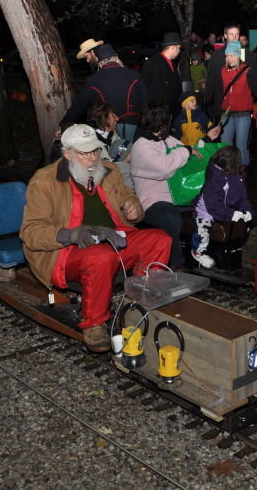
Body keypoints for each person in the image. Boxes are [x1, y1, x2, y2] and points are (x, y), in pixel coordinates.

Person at [20, 124, 171, 352]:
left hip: (113, 239)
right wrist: (68, 234)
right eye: (85, 153)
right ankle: (93, 322)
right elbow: (30, 231)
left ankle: (139, 304)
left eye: (95, 151)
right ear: (67, 154)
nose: (93, 158)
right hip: (67, 251)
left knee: (160, 239)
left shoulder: (109, 171)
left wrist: (133, 207)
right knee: (101, 256)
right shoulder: (45, 181)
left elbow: (129, 197)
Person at [131, 101, 203, 271]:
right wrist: (186, 151)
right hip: (151, 201)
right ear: (162, 121)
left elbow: (187, 149)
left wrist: (205, 142)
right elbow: (164, 168)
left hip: (175, 197)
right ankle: (175, 262)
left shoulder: (167, 140)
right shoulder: (142, 145)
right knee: (170, 217)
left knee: (204, 207)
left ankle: (200, 253)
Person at [61, 43, 151, 141]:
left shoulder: (93, 80)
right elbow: (148, 101)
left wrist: (63, 124)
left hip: (107, 128)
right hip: (134, 127)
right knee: (128, 149)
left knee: (113, 150)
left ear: (100, 64)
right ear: (117, 59)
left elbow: (79, 105)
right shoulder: (135, 75)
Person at [191, 146, 253, 268]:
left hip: (225, 208)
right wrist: (231, 214)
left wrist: (247, 210)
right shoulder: (214, 181)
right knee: (203, 232)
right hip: (205, 211)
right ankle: (198, 252)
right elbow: (213, 206)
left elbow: (242, 196)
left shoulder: (235, 176)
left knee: (243, 225)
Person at [213, 41, 257, 170]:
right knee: (225, 146)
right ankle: (227, 170)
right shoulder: (223, 70)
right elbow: (220, 91)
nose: (229, 58)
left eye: (231, 55)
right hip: (226, 113)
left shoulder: (248, 71)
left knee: (240, 146)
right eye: (227, 56)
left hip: (242, 114)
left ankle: (242, 169)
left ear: (238, 55)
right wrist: (216, 108)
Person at [204, 24, 257, 120]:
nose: (234, 37)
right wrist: (208, 100)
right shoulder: (217, 54)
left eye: (237, 34)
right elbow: (211, 78)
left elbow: (256, 76)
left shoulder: (247, 54)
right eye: (231, 34)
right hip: (221, 102)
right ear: (225, 36)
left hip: (242, 105)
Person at [86, 102, 134, 190]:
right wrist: (122, 162)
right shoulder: (89, 142)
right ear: (103, 117)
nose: (117, 119)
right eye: (113, 115)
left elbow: (121, 155)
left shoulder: (115, 137)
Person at [142, 32, 183, 118]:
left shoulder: (172, 63)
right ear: (173, 47)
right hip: (159, 112)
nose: (179, 51)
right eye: (178, 48)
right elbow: (143, 86)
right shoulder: (153, 62)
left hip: (172, 109)